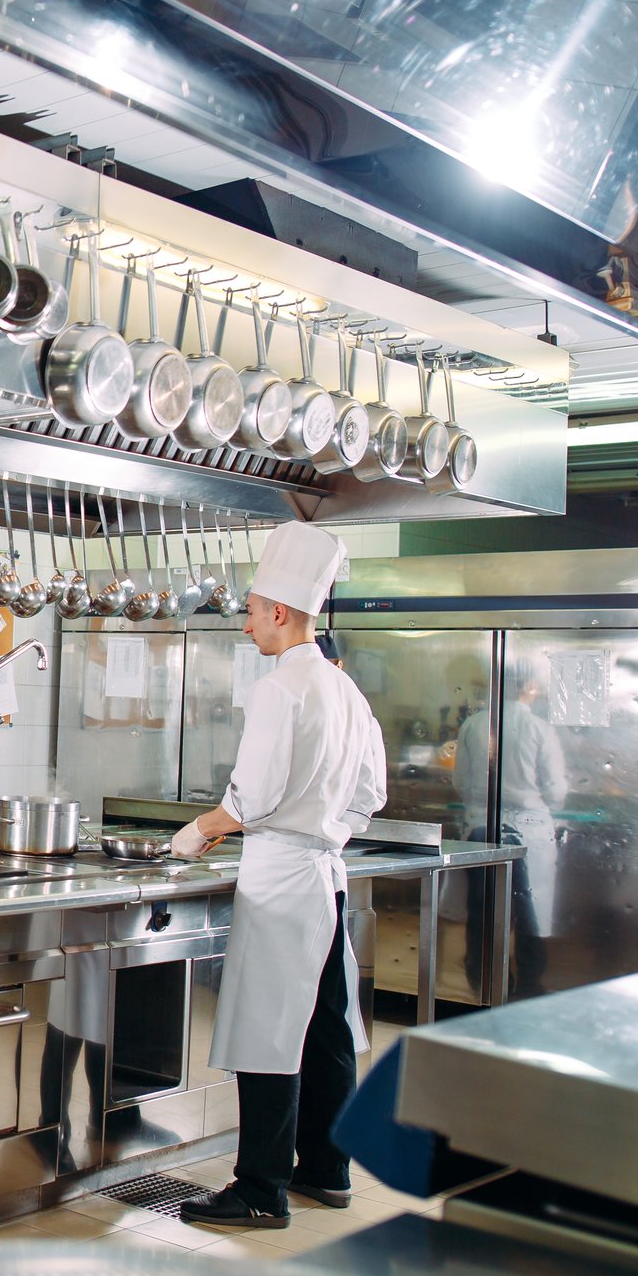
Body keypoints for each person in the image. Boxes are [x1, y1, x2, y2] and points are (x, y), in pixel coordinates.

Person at [167, 521, 387, 1229]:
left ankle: (260, 1189)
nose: (248, 623)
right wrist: (327, 830)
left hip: (283, 878)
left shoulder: (280, 688)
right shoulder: (344, 690)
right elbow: (370, 795)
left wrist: (202, 829)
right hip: (327, 875)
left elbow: (251, 797)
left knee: (269, 1030)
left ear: (282, 614)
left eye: (254, 610)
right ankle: (327, 1169)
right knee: (324, 1027)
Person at [453, 659, 566, 1000]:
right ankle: (529, 982)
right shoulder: (540, 729)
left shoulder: (473, 724)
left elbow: (460, 781)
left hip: (481, 826)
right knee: (530, 907)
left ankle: (481, 980)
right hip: (530, 831)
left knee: (482, 907)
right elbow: (556, 792)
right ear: (529, 686)